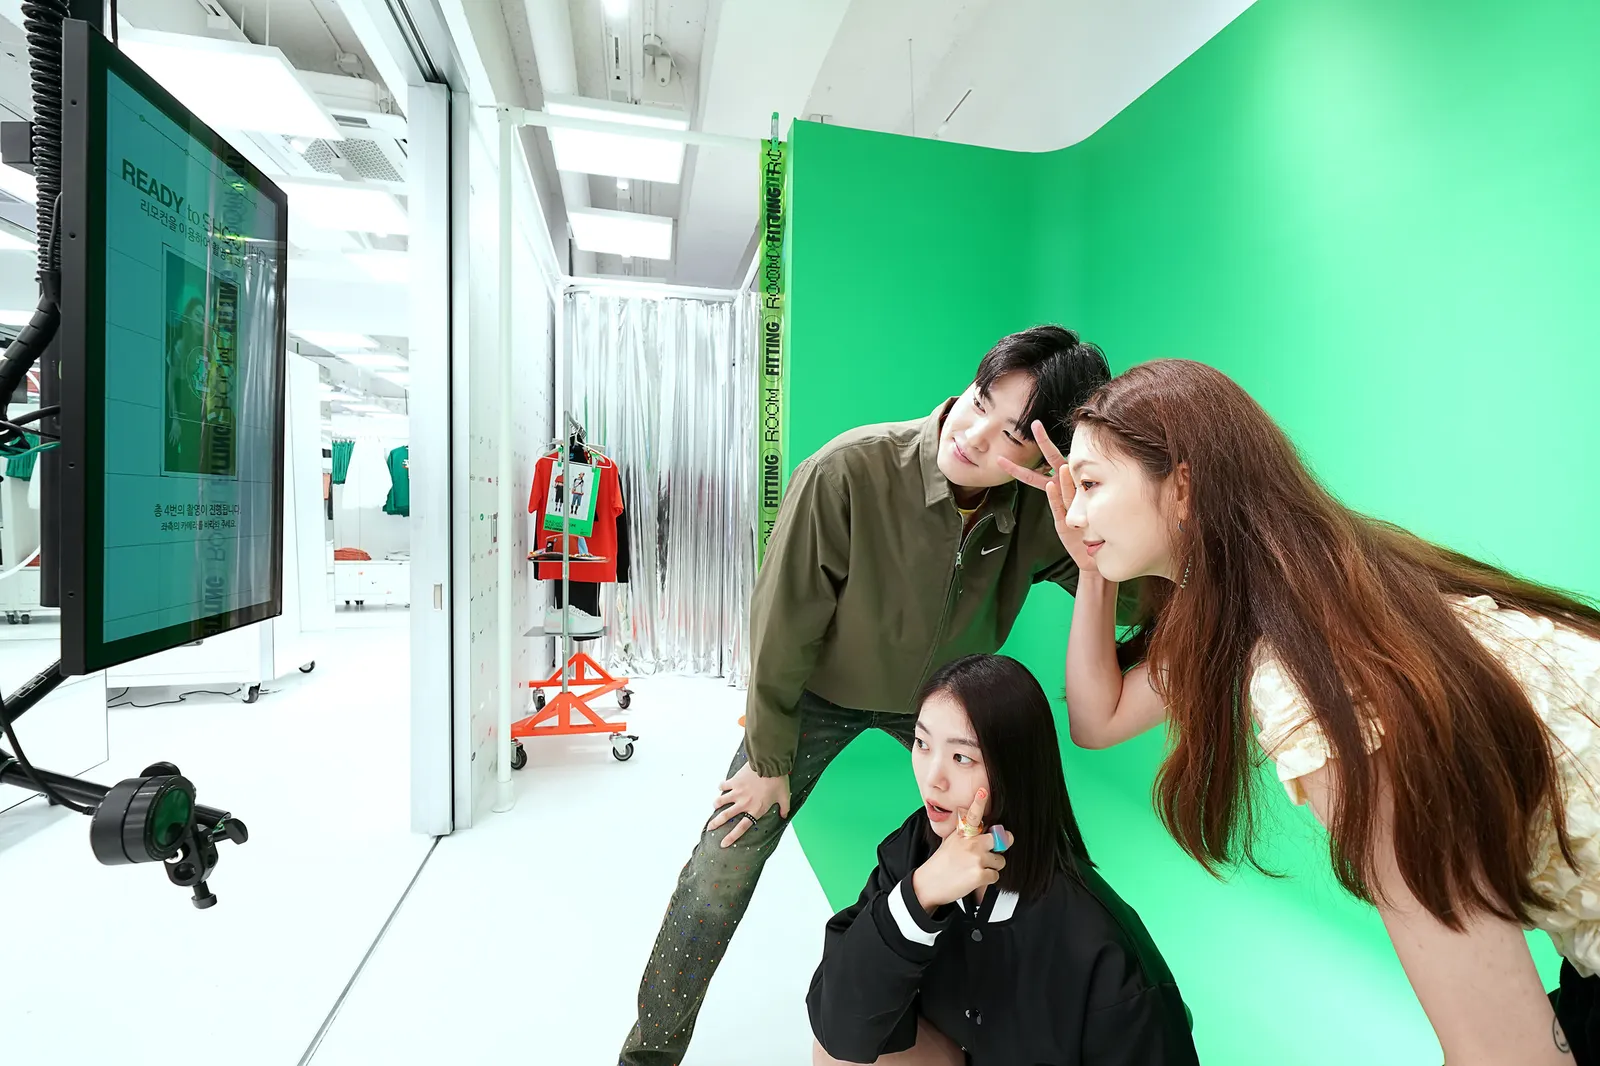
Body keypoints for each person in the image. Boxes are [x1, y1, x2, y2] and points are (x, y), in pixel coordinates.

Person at [997, 358, 1600, 1066]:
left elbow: (1510, 1052)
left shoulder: (1314, 681)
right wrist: (1092, 569)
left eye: (1091, 484)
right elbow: (1098, 721)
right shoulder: (1313, 587)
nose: (1070, 511)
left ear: (1184, 485)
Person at [618, 326, 1140, 1066]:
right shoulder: (847, 472)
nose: (973, 433)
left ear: (1048, 457)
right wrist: (768, 755)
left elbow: (1130, 599)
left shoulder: (1038, 515)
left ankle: (1027, 1029)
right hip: (813, 696)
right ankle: (648, 1054)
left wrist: (1094, 529)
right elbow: (779, 622)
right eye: (980, 400)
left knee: (1033, 844)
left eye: (1012, 435)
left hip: (939, 708)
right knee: (721, 864)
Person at [807, 654, 1197, 1066]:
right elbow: (837, 1027)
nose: (932, 777)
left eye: (962, 758)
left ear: (1015, 771)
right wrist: (920, 893)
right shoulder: (915, 848)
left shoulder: (1098, 943)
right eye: (922, 744)